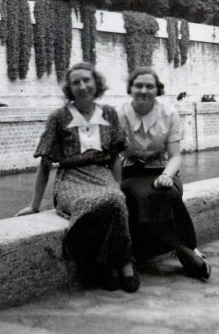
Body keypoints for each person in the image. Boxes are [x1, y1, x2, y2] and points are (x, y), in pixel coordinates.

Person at [16, 62, 139, 292]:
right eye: (76, 82)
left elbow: (114, 158)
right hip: (71, 179)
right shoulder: (58, 117)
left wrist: (117, 186)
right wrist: (34, 205)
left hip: (101, 175)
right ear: (70, 89)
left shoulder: (109, 113)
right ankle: (114, 263)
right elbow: (45, 163)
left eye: (87, 80)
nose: (82, 86)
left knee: (115, 199)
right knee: (92, 203)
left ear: (96, 83)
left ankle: (119, 262)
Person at [117, 67, 211, 281]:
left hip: (162, 168)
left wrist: (168, 175)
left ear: (156, 89)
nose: (143, 90)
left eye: (149, 86)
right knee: (142, 195)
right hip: (131, 171)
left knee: (169, 192)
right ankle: (182, 248)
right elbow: (113, 154)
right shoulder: (119, 114)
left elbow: (175, 157)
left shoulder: (169, 114)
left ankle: (184, 247)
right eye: (138, 85)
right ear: (130, 89)